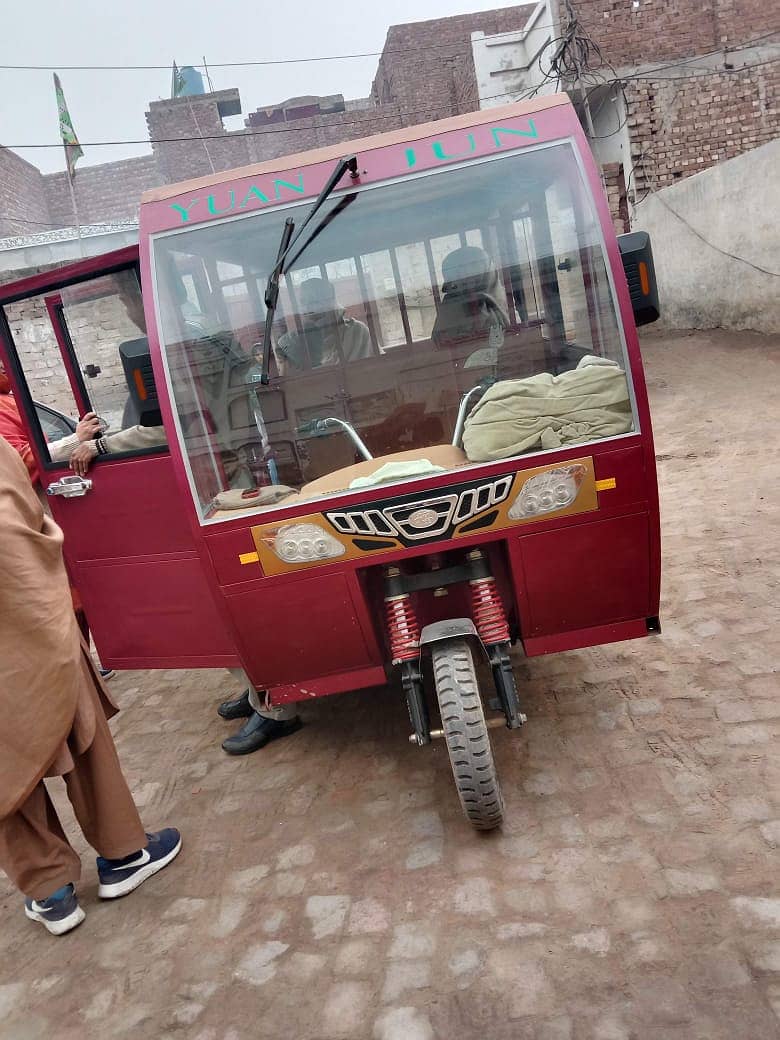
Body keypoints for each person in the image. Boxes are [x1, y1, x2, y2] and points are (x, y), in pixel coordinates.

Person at [0, 436, 180, 935]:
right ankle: (124, 854)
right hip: (28, 617)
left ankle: (50, 891)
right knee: (79, 730)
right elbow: (16, 533)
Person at [274, 277, 373, 375]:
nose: (308, 308)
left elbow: (378, 371)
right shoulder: (291, 343)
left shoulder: (357, 332)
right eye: (303, 302)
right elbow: (285, 383)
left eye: (314, 301)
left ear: (330, 302)